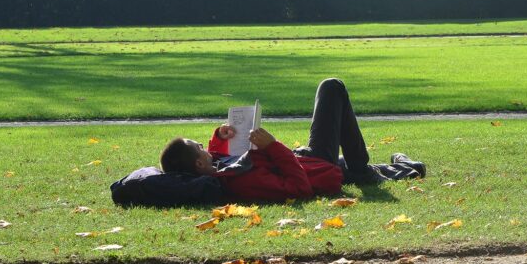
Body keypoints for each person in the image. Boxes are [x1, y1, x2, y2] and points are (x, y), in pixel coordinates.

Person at [156, 78, 425, 203]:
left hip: (303, 158)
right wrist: (273, 146)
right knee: (332, 88)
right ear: (200, 166)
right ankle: (368, 167)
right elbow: (299, 188)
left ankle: (408, 167)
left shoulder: (217, 169)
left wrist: (220, 136)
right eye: (199, 148)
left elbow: (224, 159)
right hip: (314, 163)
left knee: (354, 169)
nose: (206, 148)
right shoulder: (239, 181)